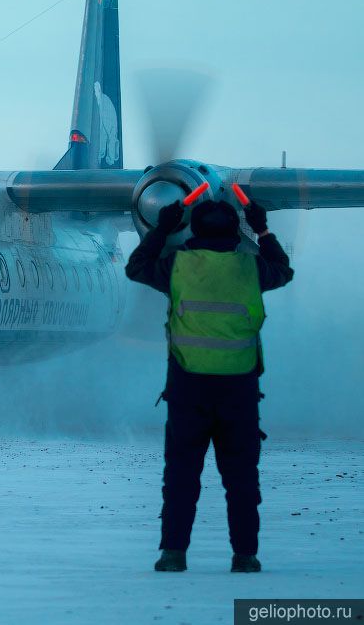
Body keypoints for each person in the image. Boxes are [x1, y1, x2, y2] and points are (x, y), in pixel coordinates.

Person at [125, 198, 293, 573]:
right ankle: (245, 556)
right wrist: (262, 230)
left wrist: (162, 229)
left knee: (181, 476)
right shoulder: (252, 268)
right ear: (237, 230)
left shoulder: (176, 266)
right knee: (242, 480)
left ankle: (173, 554)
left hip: (188, 390)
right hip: (239, 392)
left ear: (193, 229)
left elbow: (136, 267)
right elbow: (284, 270)